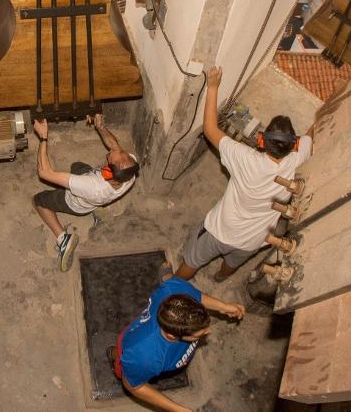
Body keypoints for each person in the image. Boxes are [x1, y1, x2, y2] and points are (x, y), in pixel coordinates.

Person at [175, 66, 312, 282]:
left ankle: (171, 289)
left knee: (192, 261)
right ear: (293, 145)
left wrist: (213, 87)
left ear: (261, 140)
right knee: (232, 263)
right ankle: (219, 277)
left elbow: (210, 130)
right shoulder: (297, 159)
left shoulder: (244, 157)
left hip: (221, 230)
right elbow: (309, 137)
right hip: (254, 240)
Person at [112, 272, 244, 412]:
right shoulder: (144, 357)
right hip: (132, 350)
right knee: (119, 356)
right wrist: (178, 409)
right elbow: (133, 386)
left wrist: (224, 306)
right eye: (199, 334)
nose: (208, 332)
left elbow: (198, 296)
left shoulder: (175, 289)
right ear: (171, 335)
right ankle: (113, 355)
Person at [31, 114, 139, 271]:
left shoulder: (91, 186)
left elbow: (44, 173)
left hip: (74, 203)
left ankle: (63, 239)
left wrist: (43, 138)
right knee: (77, 166)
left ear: (107, 173)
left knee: (39, 200)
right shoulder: (129, 172)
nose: (111, 151)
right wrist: (101, 126)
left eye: (109, 157)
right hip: (97, 191)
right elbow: (115, 146)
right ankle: (97, 207)